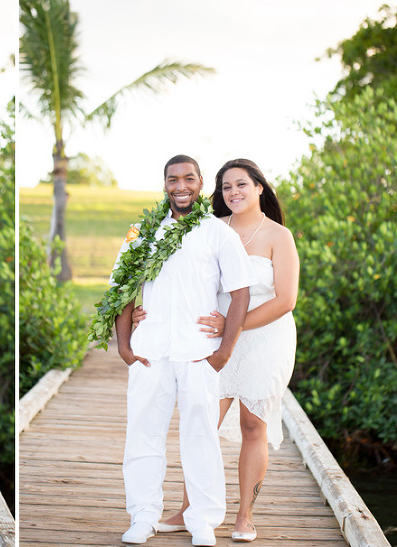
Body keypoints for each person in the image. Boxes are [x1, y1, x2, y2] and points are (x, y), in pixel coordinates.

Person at [135, 159, 299, 543]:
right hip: (213, 339)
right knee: (201, 422)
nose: (233, 193)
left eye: (241, 184)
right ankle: (190, 508)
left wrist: (234, 326)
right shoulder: (207, 228)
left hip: (264, 339)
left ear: (260, 187)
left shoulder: (279, 236)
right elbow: (173, 276)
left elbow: (286, 300)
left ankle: (245, 516)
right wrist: (146, 308)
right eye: (226, 187)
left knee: (252, 424)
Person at [114, 155, 255, 546]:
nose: (181, 186)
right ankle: (143, 516)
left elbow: (241, 292)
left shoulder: (217, 234)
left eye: (189, 178)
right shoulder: (141, 232)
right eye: (173, 179)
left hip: (199, 353)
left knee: (200, 437)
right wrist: (125, 347)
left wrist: (224, 351)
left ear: (200, 183)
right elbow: (122, 288)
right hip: (150, 352)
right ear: (164, 185)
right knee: (143, 435)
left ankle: (202, 521)